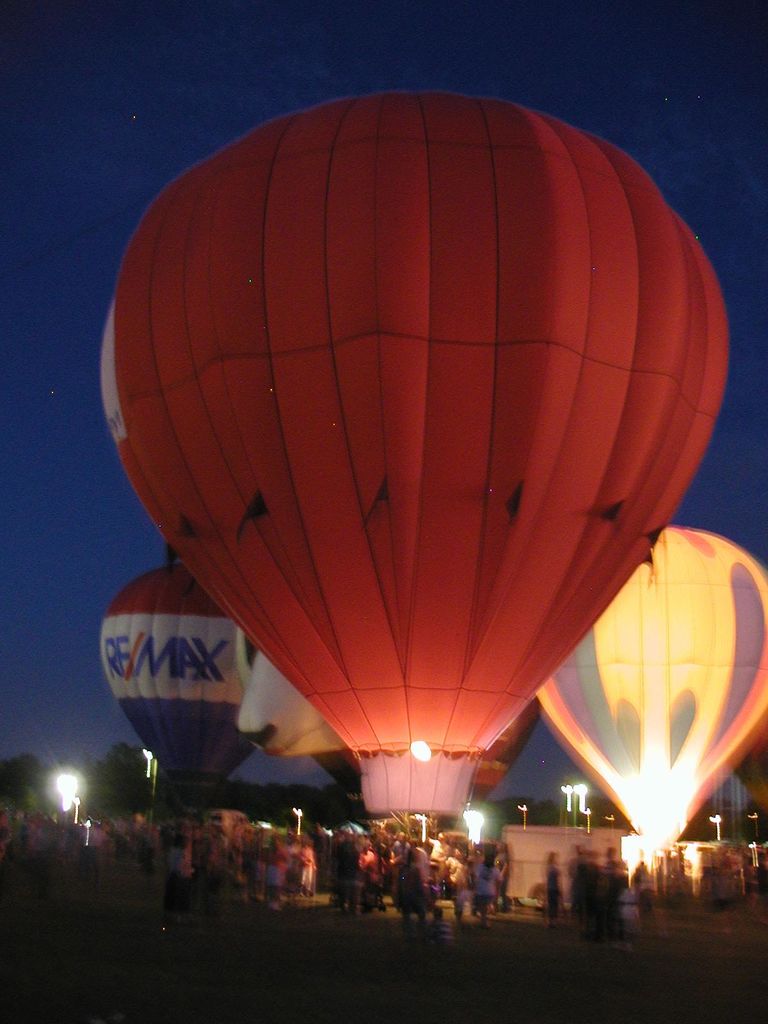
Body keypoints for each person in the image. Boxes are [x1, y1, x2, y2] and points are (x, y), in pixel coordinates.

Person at [474, 847, 501, 929]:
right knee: (484, 908)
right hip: (489, 892)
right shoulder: (495, 869)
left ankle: (483, 922)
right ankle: (484, 921)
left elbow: (475, 876)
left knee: (482, 908)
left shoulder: (481, 867)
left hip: (481, 891)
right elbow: (499, 880)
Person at [545, 851, 562, 927]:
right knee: (555, 905)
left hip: (549, 888)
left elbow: (547, 878)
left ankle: (550, 921)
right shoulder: (555, 868)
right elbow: (558, 877)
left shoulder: (548, 867)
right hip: (554, 888)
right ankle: (554, 921)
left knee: (551, 905)